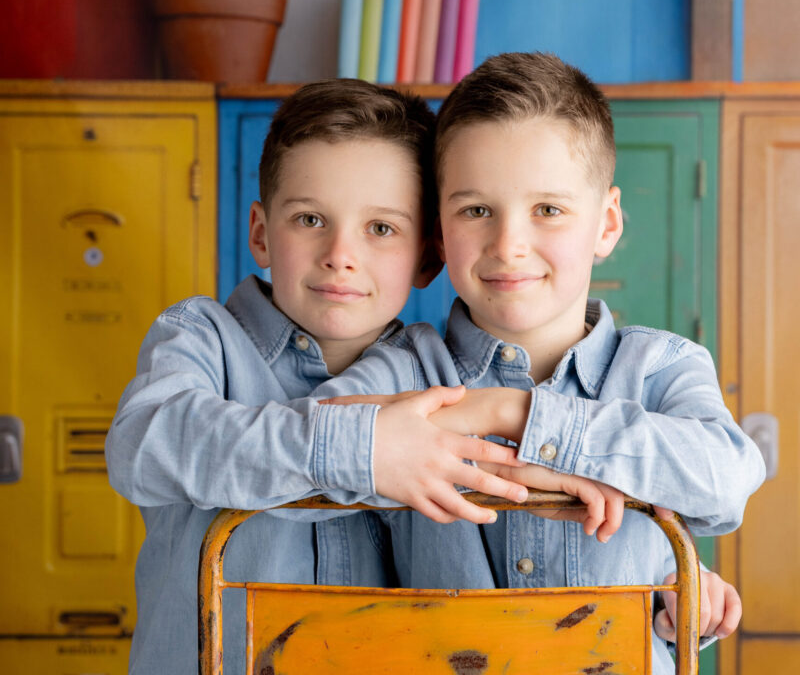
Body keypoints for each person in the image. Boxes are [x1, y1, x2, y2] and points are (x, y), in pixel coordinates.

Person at [306, 52, 765, 671]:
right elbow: (316, 434)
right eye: (476, 210)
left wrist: (516, 415)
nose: (508, 245)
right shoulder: (406, 365)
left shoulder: (662, 367)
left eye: (547, 209)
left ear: (605, 224)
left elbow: (726, 481)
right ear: (440, 231)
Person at [104, 79, 534, 674]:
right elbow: (142, 446)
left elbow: (522, 519)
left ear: (428, 257)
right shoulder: (199, 337)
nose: (340, 254)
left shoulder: (437, 375)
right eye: (310, 219)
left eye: (381, 228)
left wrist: (667, 574)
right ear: (260, 232)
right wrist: (360, 449)